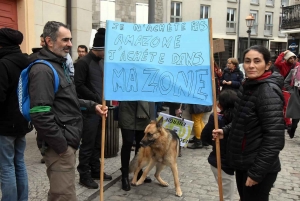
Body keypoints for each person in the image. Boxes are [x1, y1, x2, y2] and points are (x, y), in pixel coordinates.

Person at [28, 21, 108, 201]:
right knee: (64, 196)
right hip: (60, 147)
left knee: (59, 194)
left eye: (70, 39)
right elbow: (40, 114)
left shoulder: (59, 64)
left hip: (67, 141)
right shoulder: (42, 70)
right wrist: (62, 146)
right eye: (65, 40)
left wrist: (91, 105)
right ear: (49, 41)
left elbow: (67, 99)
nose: (70, 44)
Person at [213, 45, 285, 201]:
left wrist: (256, 172)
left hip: (257, 165)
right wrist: (226, 130)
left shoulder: (267, 91)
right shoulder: (248, 85)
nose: (251, 65)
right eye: (247, 61)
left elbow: (274, 138)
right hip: (244, 162)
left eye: (257, 61)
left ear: (267, 65)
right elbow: (243, 120)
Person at [74, 28, 112, 189]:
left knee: (98, 142)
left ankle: (96, 169)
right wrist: (96, 99)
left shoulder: (102, 62)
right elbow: (78, 85)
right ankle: (84, 174)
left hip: (101, 109)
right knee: (88, 144)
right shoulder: (83, 63)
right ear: (100, 49)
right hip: (88, 111)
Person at [0, 28, 32, 201]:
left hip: (5, 124)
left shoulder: (3, 63)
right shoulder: (27, 60)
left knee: (6, 167)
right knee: (19, 163)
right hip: (23, 121)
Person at [201, 89, 237, 201]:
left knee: (227, 195)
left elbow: (205, 137)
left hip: (225, 162)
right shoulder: (240, 118)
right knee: (227, 196)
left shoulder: (218, 118)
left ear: (219, 105)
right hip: (223, 163)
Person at [118, 101, 152, 191]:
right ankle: (124, 175)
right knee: (127, 143)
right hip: (127, 110)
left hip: (143, 112)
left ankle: (138, 171)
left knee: (141, 145)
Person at [274, 50, 300, 130]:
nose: (292, 59)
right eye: (290, 58)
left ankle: (290, 122)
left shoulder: (297, 65)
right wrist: (283, 53)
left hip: (295, 89)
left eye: (293, 58)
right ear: (286, 59)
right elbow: (277, 63)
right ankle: (288, 123)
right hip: (285, 88)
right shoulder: (282, 65)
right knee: (286, 105)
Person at [284, 63, 300, 138]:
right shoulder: (295, 71)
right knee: (294, 123)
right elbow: (286, 82)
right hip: (296, 98)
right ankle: (291, 131)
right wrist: (292, 91)